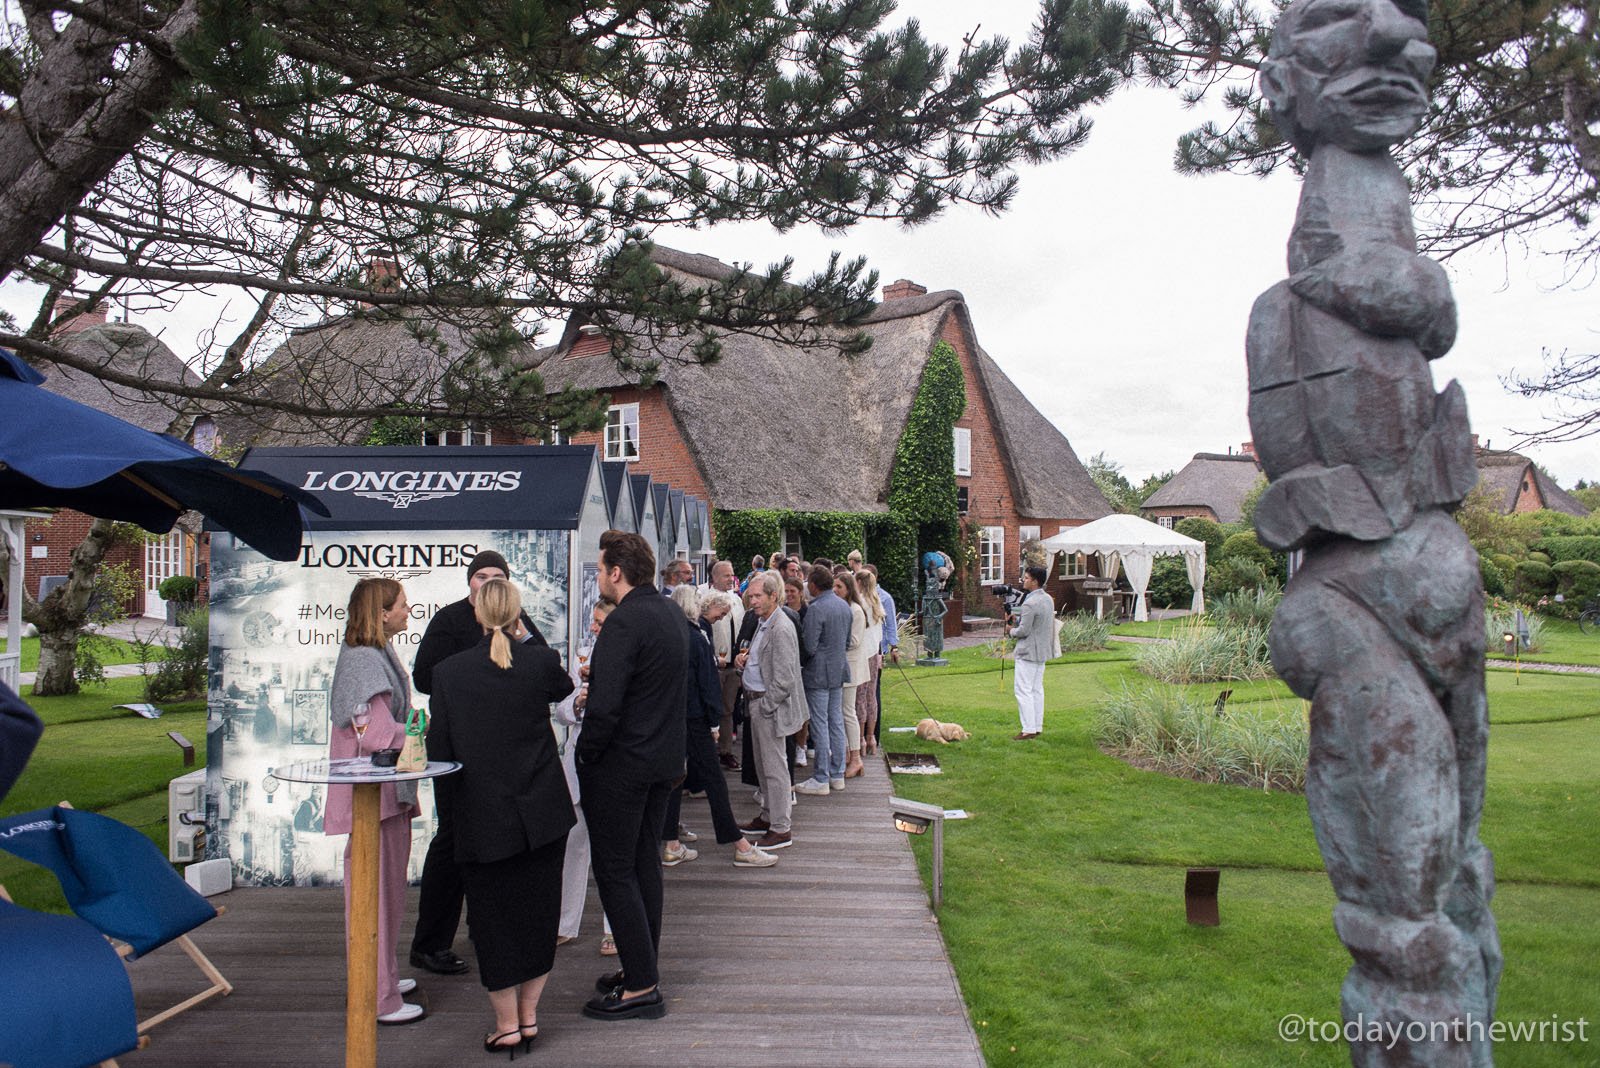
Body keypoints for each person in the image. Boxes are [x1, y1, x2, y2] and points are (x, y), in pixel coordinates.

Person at [427, 578, 575, 1056]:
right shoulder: (538, 662)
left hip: (481, 815)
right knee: (538, 916)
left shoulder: (449, 673)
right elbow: (565, 686)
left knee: (490, 923)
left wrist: (450, 816)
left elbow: (441, 755)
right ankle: (528, 1017)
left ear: (475, 614)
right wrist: (524, 632)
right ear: (518, 616)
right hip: (541, 814)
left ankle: (507, 1023)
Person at [408, 550, 547, 977]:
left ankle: (483, 925)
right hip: (456, 749)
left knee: (497, 841)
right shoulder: (448, 621)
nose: (487, 581)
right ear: (469, 580)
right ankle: (430, 942)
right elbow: (422, 676)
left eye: (496, 575)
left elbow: (544, 666)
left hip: (502, 754)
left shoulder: (516, 619)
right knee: (452, 841)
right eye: (480, 575)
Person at [577, 530, 686, 1021]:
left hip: (623, 765)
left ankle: (641, 984)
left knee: (616, 870)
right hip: (662, 762)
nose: (598, 577)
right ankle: (642, 967)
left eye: (600, 569)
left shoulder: (623, 624)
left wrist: (586, 753)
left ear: (616, 573)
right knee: (643, 865)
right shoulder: (668, 613)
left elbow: (605, 707)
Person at [326, 578, 423, 1025]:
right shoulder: (365, 661)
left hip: (383, 796)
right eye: (403, 604)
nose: (409, 610)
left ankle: (382, 976)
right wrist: (426, 731)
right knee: (373, 896)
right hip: (373, 798)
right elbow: (378, 735)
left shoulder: (370, 654)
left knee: (386, 892)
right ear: (382, 613)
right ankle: (378, 995)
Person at [662, 587, 778, 868]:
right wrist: (714, 721)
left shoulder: (667, 637)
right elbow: (708, 683)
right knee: (715, 781)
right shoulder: (696, 638)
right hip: (696, 718)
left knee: (675, 778)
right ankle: (739, 844)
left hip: (672, 717)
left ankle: (671, 843)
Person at [553, 600, 616, 953]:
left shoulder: (626, 660)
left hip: (611, 764)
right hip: (578, 763)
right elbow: (562, 711)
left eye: (599, 622)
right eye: (592, 622)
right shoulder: (583, 659)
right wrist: (577, 704)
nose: (593, 628)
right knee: (573, 845)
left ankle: (614, 927)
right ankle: (565, 923)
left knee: (610, 850)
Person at [735, 571, 808, 851]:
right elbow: (763, 660)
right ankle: (768, 817)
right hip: (758, 703)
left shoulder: (781, 626)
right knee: (764, 766)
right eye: (750, 595)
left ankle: (780, 828)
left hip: (769, 707)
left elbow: (785, 678)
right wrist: (746, 663)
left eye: (756, 596)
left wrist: (764, 706)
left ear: (772, 596)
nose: (751, 601)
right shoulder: (763, 622)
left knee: (775, 768)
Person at [797, 564, 851, 795]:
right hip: (838, 668)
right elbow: (846, 642)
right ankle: (837, 774)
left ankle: (821, 777)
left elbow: (808, 646)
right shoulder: (844, 606)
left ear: (813, 585)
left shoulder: (816, 608)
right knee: (835, 721)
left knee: (820, 724)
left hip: (818, 672)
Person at [700, 562, 745, 770]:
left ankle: (725, 751)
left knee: (728, 708)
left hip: (733, 664)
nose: (730, 579)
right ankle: (708, 752)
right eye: (726, 575)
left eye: (732, 575)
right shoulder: (704, 598)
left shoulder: (737, 600)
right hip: (713, 664)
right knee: (710, 707)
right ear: (715, 576)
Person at [1008, 566, 1056, 740]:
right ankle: (1036, 726)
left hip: (1027, 652)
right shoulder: (1048, 599)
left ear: (1035, 581)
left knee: (1023, 690)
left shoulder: (1029, 602)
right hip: (1042, 651)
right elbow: (1033, 617)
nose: (1023, 580)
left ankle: (1028, 729)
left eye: (1026, 578)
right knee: (1036, 689)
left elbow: (1023, 631)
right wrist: (1016, 614)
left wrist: (1010, 630)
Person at [835, 570, 869, 779]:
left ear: (849, 588)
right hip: (842, 666)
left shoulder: (856, 610)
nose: (835, 590)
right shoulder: (844, 608)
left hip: (851, 667)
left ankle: (856, 758)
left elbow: (854, 641)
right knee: (842, 712)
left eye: (839, 587)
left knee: (848, 712)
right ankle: (848, 753)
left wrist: (831, 643)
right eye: (834, 586)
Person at [853, 569, 887, 757]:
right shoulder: (877, 603)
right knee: (871, 696)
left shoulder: (860, 603)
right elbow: (880, 633)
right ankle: (871, 736)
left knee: (860, 696)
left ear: (859, 582)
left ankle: (860, 739)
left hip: (861, 654)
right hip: (874, 653)